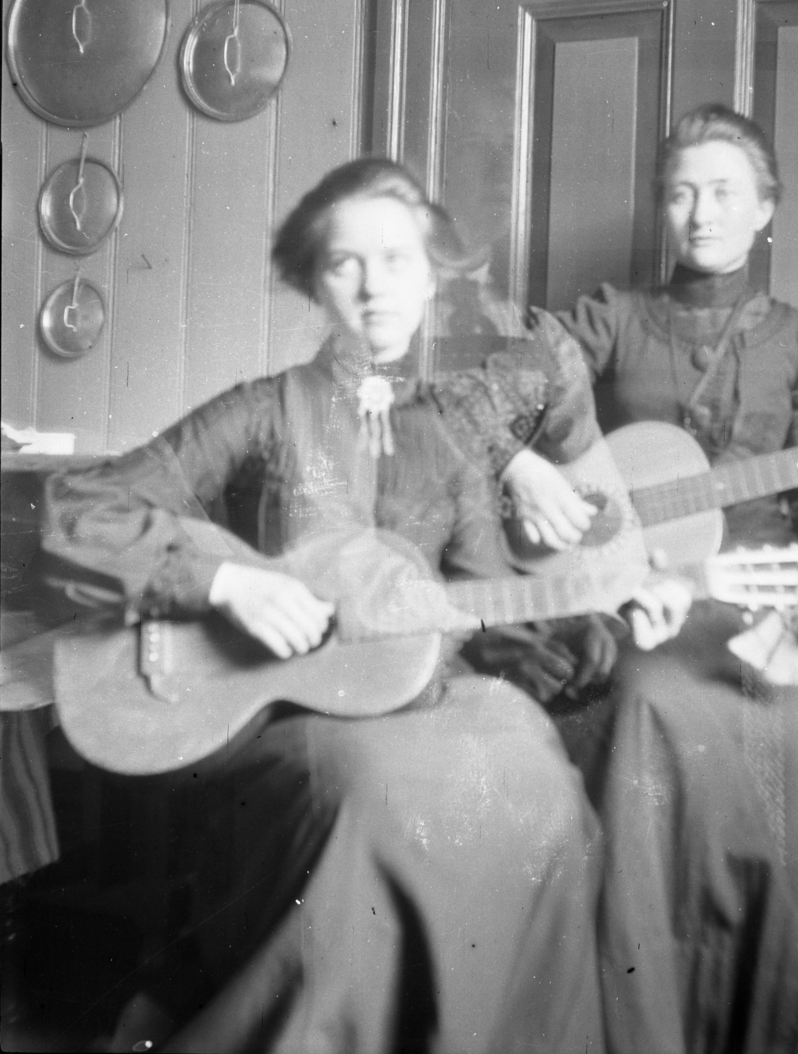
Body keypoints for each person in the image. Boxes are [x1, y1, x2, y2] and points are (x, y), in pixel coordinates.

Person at [38, 159, 633, 1054]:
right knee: (376, 791)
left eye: (396, 261)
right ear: (316, 281)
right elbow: (81, 508)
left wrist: (591, 622)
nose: (373, 287)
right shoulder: (264, 412)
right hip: (286, 712)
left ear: (432, 277)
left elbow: (481, 607)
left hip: (425, 702)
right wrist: (226, 582)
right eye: (345, 263)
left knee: (537, 781)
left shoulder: (455, 433)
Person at [436, 104, 798, 1054]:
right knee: (638, 694)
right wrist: (519, 465)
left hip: (750, 597)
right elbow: (473, 399)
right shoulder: (613, 318)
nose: (701, 213)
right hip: (626, 588)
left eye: (725, 193)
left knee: (711, 715)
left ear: (764, 210)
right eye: (683, 192)